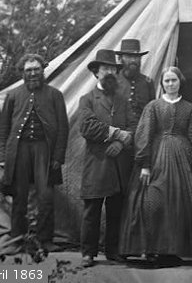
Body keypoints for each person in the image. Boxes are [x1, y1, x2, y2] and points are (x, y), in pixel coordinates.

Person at [120, 66, 192, 262]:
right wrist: (145, 164)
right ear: (162, 84)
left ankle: (175, 250)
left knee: (186, 200)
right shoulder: (153, 106)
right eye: (167, 81)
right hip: (156, 159)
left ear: (180, 82)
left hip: (183, 159)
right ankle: (151, 248)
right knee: (152, 201)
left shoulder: (189, 108)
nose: (170, 84)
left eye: (174, 80)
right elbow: (144, 135)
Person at [0, 53, 69, 253]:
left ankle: (45, 240)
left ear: (42, 70)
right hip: (18, 151)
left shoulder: (55, 95)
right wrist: (2, 157)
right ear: (23, 72)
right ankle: (17, 239)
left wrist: (58, 157)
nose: (33, 74)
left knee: (46, 196)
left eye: (36, 69)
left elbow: (63, 128)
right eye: (28, 70)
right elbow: (3, 129)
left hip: (44, 151)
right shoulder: (13, 95)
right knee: (19, 196)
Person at [78, 49, 136, 267]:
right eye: (105, 69)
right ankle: (88, 253)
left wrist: (121, 143)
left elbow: (134, 126)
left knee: (116, 210)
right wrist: (116, 133)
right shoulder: (87, 99)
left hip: (119, 164)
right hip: (97, 163)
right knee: (92, 211)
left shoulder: (123, 100)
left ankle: (113, 251)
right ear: (96, 72)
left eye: (113, 69)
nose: (109, 72)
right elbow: (87, 127)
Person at [115, 38, 155, 126]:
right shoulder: (113, 82)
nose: (133, 60)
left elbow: (152, 112)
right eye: (129, 57)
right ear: (120, 59)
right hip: (120, 130)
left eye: (136, 57)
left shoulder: (148, 82)